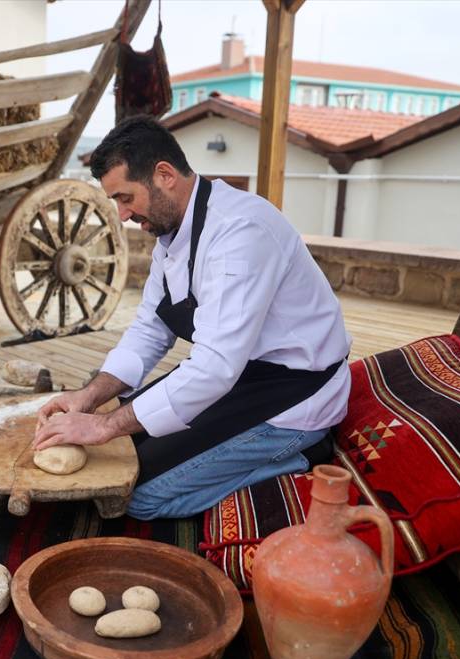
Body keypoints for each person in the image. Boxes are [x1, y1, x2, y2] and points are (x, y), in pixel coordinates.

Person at [33, 116, 351, 519]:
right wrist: (90, 397)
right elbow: (150, 329)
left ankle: (297, 460)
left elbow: (215, 366)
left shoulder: (240, 231)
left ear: (163, 174)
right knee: (123, 457)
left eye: (126, 197)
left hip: (295, 394)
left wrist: (106, 425)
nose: (123, 214)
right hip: (238, 379)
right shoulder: (171, 235)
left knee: (138, 496)